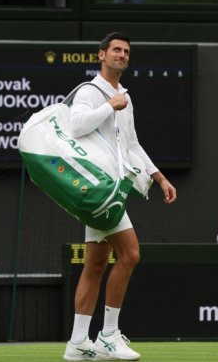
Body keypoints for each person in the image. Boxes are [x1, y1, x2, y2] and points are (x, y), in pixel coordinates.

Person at [62, 32, 177, 361]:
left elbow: (132, 145)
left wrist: (159, 177)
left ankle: (77, 342)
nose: (122, 55)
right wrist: (109, 106)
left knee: (95, 265)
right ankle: (109, 335)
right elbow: (76, 126)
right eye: (116, 50)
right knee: (130, 254)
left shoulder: (125, 95)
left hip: (113, 189)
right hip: (98, 191)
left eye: (126, 51)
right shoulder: (89, 91)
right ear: (101, 55)